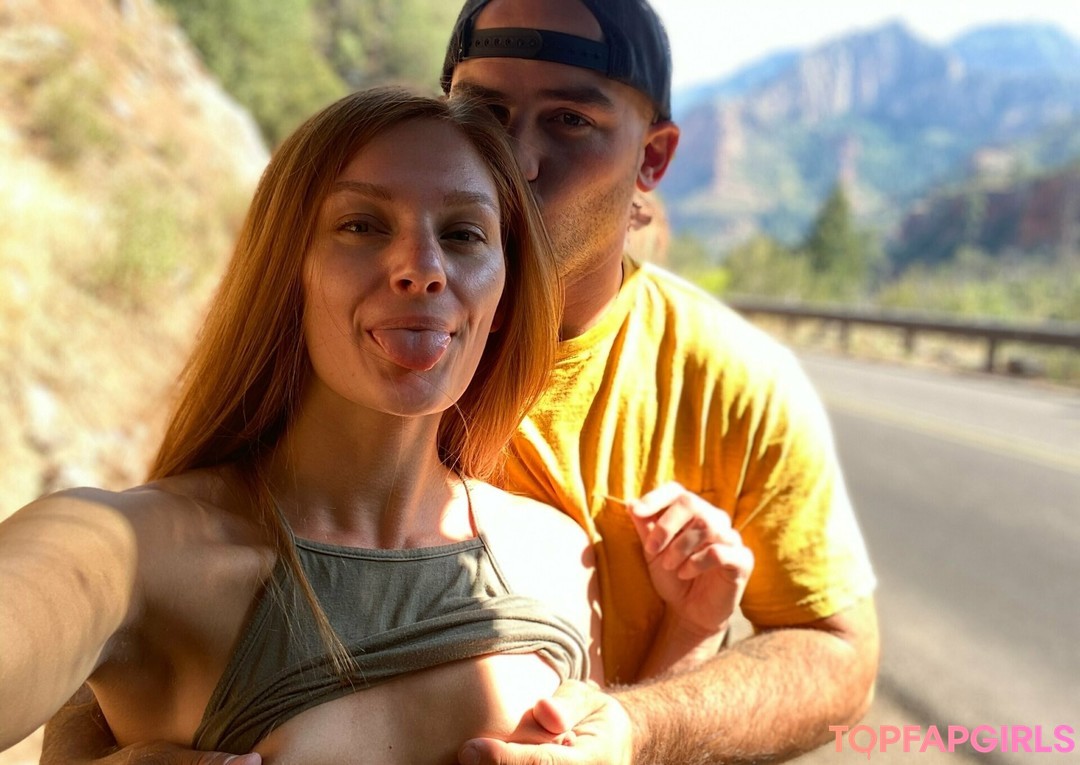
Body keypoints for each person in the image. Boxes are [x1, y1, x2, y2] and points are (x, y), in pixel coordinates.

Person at [42, 0, 880, 762]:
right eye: (487, 112)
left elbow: (836, 652)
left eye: (571, 121)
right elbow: (149, 590)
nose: (520, 157)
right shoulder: (354, 330)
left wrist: (641, 724)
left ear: (653, 158)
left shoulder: (733, 384)